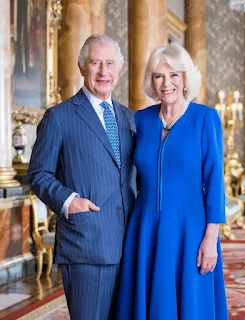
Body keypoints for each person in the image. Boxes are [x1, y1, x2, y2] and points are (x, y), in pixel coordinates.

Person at [28, 34, 137, 320]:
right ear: (81, 67)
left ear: (120, 70)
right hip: (87, 246)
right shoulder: (59, 117)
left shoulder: (129, 118)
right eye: (95, 63)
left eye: (110, 64)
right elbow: (38, 173)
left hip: (131, 245)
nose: (103, 72)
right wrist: (69, 201)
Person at [116, 43, 228, 319]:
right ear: (151, 82)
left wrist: (211, 239)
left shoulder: (205, 117)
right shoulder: (140, 120)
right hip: (145, 229)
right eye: (158, 76)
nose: (166, 83)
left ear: (185, 78)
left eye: (174, 75)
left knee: (191, 304)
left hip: (190, 229)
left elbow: (215, 181)